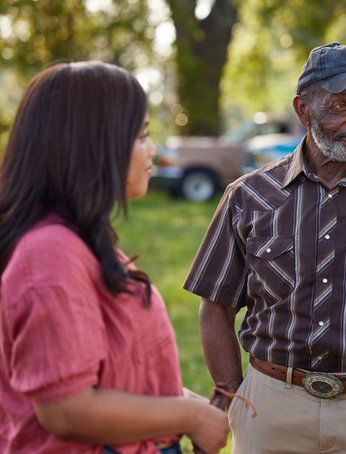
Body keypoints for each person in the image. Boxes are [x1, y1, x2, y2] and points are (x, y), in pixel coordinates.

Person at [185, 42, 346, 453]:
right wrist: (234, 399)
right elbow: (215, 308)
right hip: (270, 407)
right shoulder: (248, 197)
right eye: (342, 105)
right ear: (303, 110)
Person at [0, 61, 229, 453]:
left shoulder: (81, 239)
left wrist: (182, 400)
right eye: (141, 136)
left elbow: (109, 370)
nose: (152, 150)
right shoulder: (50, 254)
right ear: (94, 145)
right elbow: (66, 410)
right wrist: (190, 417)